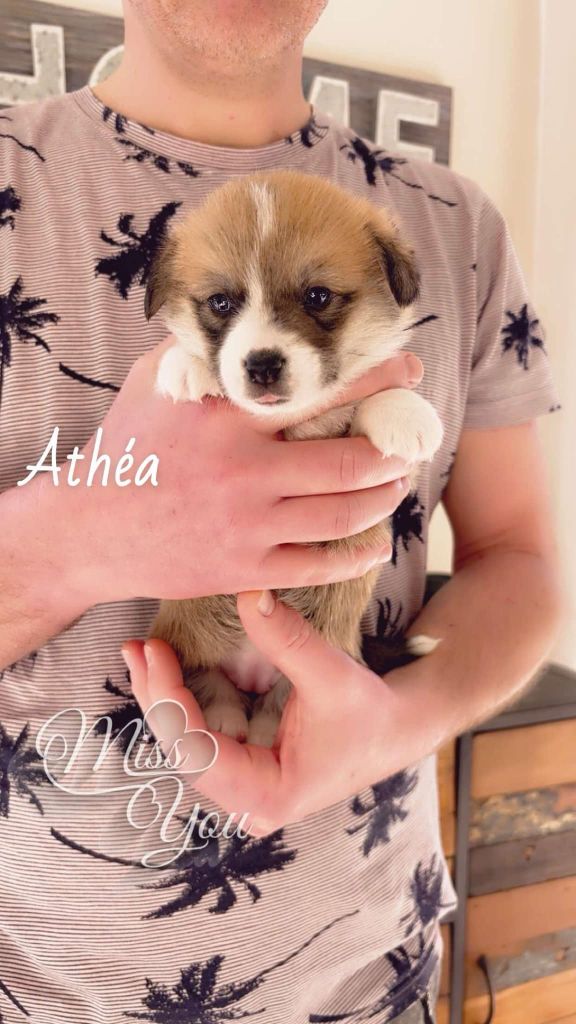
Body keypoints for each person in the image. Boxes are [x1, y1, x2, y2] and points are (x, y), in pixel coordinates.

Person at [0, 2, 564, 1021]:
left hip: (372, 973)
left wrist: (397, 723)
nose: (262, 342)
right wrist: (80, 539)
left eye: (317, 303)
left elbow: (520, 560)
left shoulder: (456, 226)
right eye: (220, 307)